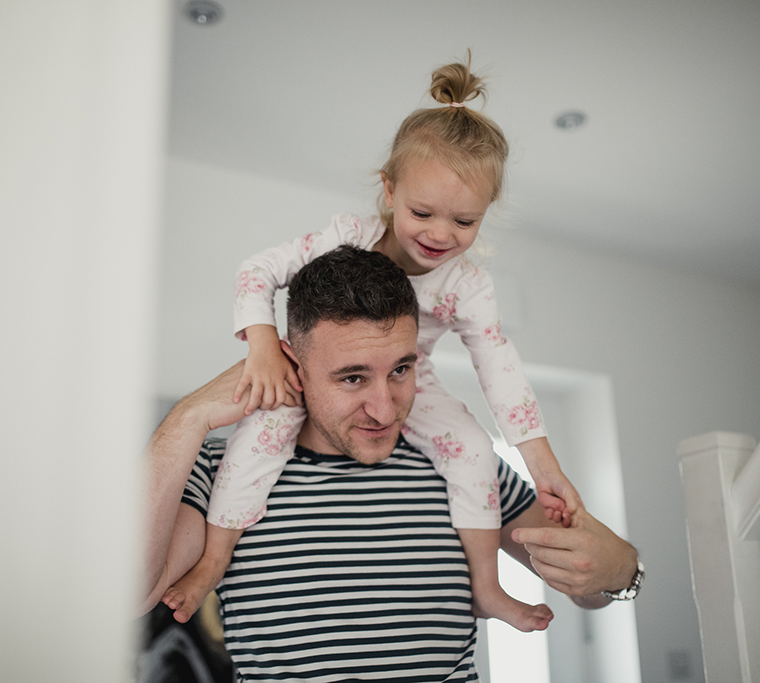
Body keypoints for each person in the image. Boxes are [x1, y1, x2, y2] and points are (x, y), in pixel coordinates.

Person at [162, 53, 585, 632]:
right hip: (302, 365)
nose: (440, 235)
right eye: (422, 212)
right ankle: (216, 559)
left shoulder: (468, 284)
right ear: (388, 191)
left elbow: (499, 368)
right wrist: (262, 341)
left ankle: (485, 585)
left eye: (465, 223)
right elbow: (258, 270)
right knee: (258, 434)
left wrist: (543, 463)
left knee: (471, 444)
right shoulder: (345, 237)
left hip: (417, 373)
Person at [142, 246, 642, 681]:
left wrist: (620, 571)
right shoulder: (223, 472)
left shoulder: (463, 467)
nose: (386, 410)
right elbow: (129, 595)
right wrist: (188, 418)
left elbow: (585, 586)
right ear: (293, 363)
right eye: (353, 378)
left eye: (401, 369)